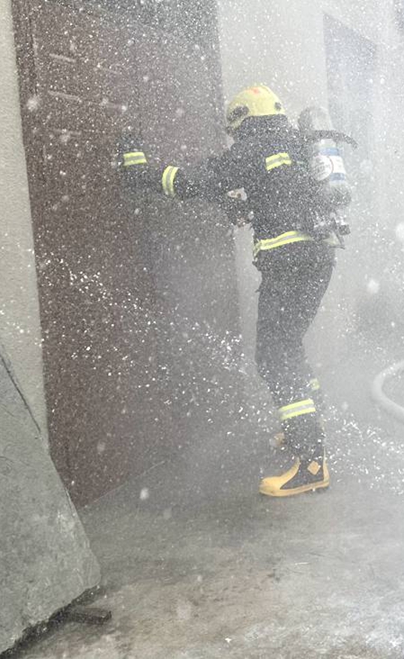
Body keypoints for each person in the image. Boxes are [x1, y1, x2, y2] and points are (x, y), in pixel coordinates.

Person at [119, 84, 347, 498]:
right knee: (289, 345)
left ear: (243, 118)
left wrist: (143, 172)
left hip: (288, 262)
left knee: (275, 357)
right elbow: (283, 192)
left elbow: (191, 182)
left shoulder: (253, 145)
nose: (234, 136)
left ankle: (312, 463)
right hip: (317, 258)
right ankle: (308, 423)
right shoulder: (295, 141)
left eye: (234, 127)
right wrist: (246, 205)